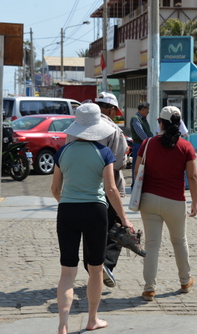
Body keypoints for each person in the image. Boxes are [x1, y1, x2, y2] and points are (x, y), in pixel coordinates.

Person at [51, 103, 135, 334]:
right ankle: (92, 320)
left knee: (67, 272)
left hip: (67, 211)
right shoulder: (104, 153)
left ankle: (63, 325)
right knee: (95, 268)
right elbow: (111, 190)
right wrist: (124, 218)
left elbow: (55, 188)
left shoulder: (63, 152)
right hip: (95, 212)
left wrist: (68, 202)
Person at [134, 105, 197, 301]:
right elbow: (193, 176)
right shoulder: (186, 146)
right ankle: (185, 281)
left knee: (152, 245)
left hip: (149, 200)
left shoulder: (147, 144)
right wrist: (195, 202)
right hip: (175, 201)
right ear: (179, 124)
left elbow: (137, 171)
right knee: (179, 241)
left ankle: (149, 288)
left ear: (160, 123)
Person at [66, 91, 129, 288]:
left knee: (88, 230)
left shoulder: (73, 130)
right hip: (106, 188)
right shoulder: (113, 130)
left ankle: (91, 265)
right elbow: (118, 162)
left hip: (77, 190)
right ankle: (104, 265)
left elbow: (67, 158)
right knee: (116, 227)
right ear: (110, 109)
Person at [130, 102, 153, 187]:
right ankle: (135, 186)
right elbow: (141, 133)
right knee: (137, 167)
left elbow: (148, 132)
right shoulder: (135, 119)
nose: (148, 111)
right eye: (147, 110)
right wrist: (149, 142)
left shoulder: (143, 119)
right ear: (143, 109)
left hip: (145, 144)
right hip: (139, 146)